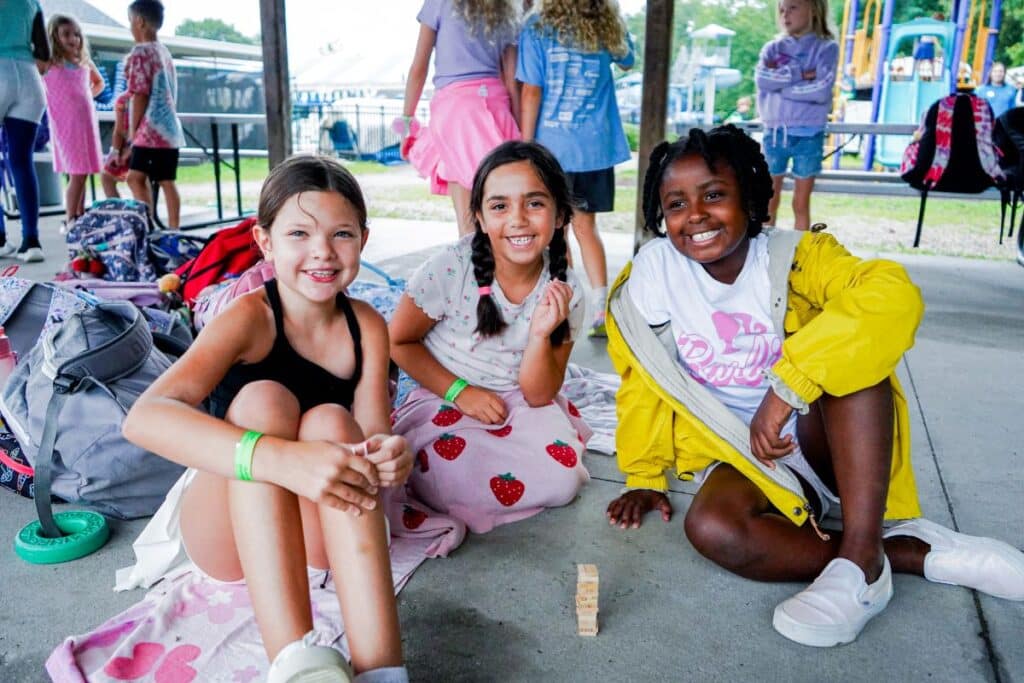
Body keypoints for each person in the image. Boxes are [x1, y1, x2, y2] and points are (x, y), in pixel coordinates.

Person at [604, 125, 1024, 648]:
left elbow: (891, 295)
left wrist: (786, 389)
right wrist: (643, 474)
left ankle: (863, 567)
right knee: (712, 528)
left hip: (828, 434)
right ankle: (898, 552)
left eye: (714, 194)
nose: (696, 216)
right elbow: (642, 378)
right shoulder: (655, 274)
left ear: (752, 196)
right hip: (746, 452)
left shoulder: (796, 256)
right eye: (676, 204)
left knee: (853, 358)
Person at [122, 155, 413, 683]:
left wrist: (390, 455)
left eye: (341, 233)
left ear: (363, 242)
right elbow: (144, 418)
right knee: (263, 403)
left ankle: (383, 669)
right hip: (230, 536)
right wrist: (281, 459)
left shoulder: (367, 324)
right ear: (265, 242)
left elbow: (372, 434)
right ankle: (296, 663)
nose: (322, 251)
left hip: (317, 540)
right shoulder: (248, 318)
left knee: (330, 422)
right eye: (299, 233)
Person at [389, 141, 591, 534]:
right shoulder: (449, 268)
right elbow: (399, 342)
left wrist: (538, 335)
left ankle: (475, 487)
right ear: (479, 217)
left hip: (521, 400)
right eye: (500, 206)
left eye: (534, 203)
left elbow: (537, 395)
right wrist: (460, 392)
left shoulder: (568, 291)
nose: (517, 219)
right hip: (443, 394)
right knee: (447, 476)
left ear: (561, 214)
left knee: (563, 480)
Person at [516, 0, 634, 337]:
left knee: (556, 232)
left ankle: (563, 304)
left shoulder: (537, 26)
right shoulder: (605, 25)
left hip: (553, 150)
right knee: (586, 228)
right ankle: (600, 307)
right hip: (594, 149)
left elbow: (532, 91)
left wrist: (526, 147)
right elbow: (628, 61)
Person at [399, 0, 522, 237]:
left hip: (456, 112)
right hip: (497, 108)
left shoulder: (440, 3)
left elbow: (419, 67)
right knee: (503, 213)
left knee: (468, 225)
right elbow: (511, 79)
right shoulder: (507, 7)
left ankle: (475, 272)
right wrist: (519, 130)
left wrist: (407, 121)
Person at [755, 0, 838, 231]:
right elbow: (763, 79)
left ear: (812, 9)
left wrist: (782, 87)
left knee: (800, 203)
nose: (785, 15)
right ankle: (765, 254)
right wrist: (801, 74)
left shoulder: (826, 48)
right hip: (775, 134)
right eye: (781, 9)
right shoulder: (772, 49)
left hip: (809, 135)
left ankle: (800, 256)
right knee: (769, 201)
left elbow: (822, 91)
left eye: (792, 8)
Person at [122, 0, 184, 228]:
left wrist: (132, 131)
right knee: (167, 180)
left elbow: (140, 93)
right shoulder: (164, 52)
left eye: (130, 21)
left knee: (134, 178)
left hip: (150, 130)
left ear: (139, 21)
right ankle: (175, 230)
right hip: (170, 129)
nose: (130, 27)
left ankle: (147, 227)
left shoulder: (141, 52)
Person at [42, 13, 104, 228]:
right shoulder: (51, 63)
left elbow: (99, 83)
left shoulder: (83, 62)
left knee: (82, 171)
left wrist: (85, 97)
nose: (73, 39)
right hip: (65, 126)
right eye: (66, 34)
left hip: (85, 124)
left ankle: (80, 214)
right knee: (76, 173)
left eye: (76, 34)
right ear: (54, 36)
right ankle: (70, 219)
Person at [0, 0, 50, 262]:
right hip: (30, 79)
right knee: (21, 161)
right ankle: (31, 242)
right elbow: (44, 51)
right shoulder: (32, 2)